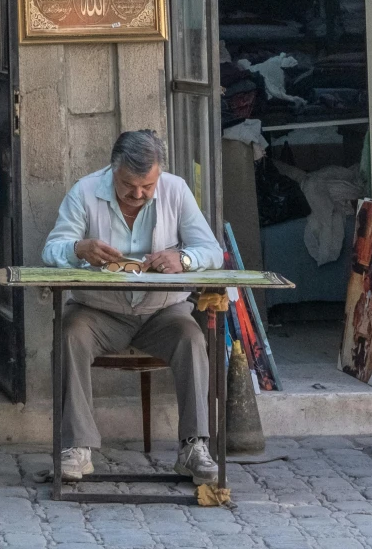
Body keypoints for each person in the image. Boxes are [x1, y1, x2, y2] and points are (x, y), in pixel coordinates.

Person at [43, 129, 224, 487]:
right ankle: (77, 447)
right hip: (99, 312)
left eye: (147, 186)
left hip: (162, 312)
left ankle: (194, 447)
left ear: (159, 175)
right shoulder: (84, 191)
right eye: (129, 185)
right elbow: (51, 250)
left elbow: (213, 251)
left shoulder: (176, 190)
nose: (138, 194)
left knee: (191, 339)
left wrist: (183, 258)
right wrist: (78, 249)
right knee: (69, 333)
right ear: (113, 170)